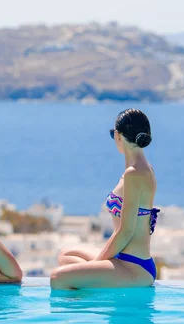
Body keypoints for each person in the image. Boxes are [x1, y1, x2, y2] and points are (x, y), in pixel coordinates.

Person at [51, 109, 160, 289]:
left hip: (134, 267)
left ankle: (93, 305)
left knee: (57, 278)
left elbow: (126, 231)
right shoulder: (140, 169)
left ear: (118, 136)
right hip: (124, 259)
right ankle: (94, 287)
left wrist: (97, 263)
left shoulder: (134, 174)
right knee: (65, 255)